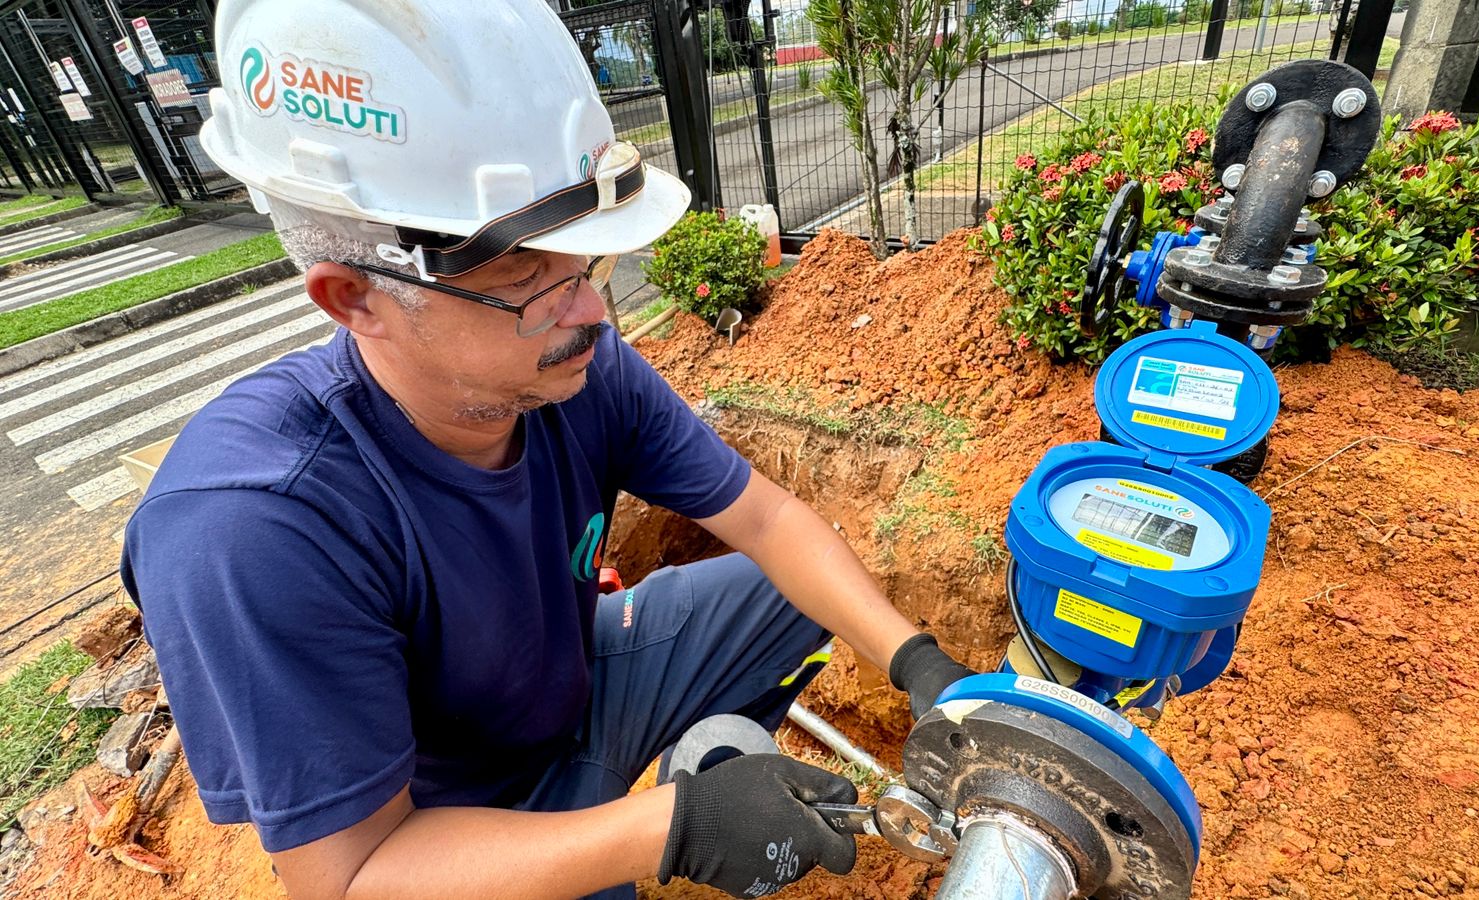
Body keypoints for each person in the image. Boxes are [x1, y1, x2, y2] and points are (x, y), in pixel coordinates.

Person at [120, 2, 974, 898]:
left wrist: (922, 666)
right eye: (529, 277)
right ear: (354, 298)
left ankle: (681, 786)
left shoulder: (570, 367)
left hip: (573, 685)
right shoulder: (252, 529)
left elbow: (765, 519)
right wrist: (668, 831)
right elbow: (349, 877)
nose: (593, 311)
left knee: (782, 593)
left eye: (585, 262)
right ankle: (628, 831)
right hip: (450, 829)